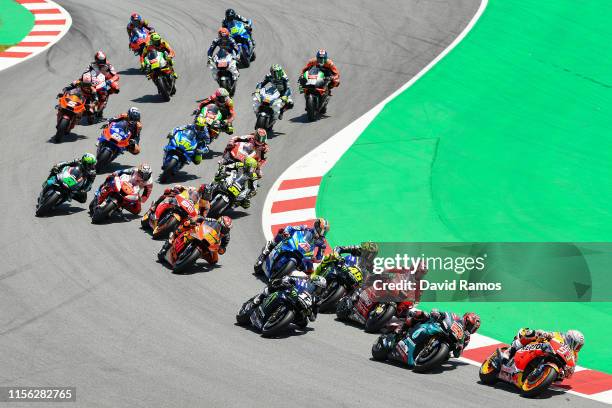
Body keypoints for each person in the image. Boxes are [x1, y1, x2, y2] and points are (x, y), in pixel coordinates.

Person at [254, 217, 330, 273]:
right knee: (281, 233)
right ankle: (264, 254)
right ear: (316, 226)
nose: (322, 233)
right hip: (296, 244)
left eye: (324, 232)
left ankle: (290, 282)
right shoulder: (305, 228)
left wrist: (315, 259)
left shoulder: (322, 243)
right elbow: (290, 228)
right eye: (321, 230)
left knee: (310, 271)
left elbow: (319, 257)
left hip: (306, 254)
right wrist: (286, 232)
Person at [251, 274, 327, 326]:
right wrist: (287, 280)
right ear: (312, 283)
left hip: (300, 308)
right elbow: (290, 278)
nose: (319, 290)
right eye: (318, 287)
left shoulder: (317, 301)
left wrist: (309, 313)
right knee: (277, 284)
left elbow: (313, 318)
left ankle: (280, 321)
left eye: (321, 289)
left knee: (304, 323)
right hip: (290, 295)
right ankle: (260, 297)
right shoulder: (303, 282)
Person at [158, 215, 232, 265]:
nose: (225, 230)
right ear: (219, 222)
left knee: (214, 260)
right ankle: (171, 239)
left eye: (227, 229)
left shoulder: (226, 236)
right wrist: (194, 220)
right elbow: (201, 218)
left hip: (211, 245)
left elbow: (223, 248)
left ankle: (197, 256)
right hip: (202, 233)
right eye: (224, 228)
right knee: (187, 223)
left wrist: (221, 249)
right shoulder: (213, 221)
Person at [506, 328, 584, 362]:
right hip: (540, 346)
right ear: (570, 339)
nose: (578, 348)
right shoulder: (559, 336)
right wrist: (545, 334)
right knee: (534, 333)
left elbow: (571, 371)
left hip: (550, 359)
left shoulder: (574, 355)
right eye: (577, 345)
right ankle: (509, 351)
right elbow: (546, 333)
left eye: (580, 346)